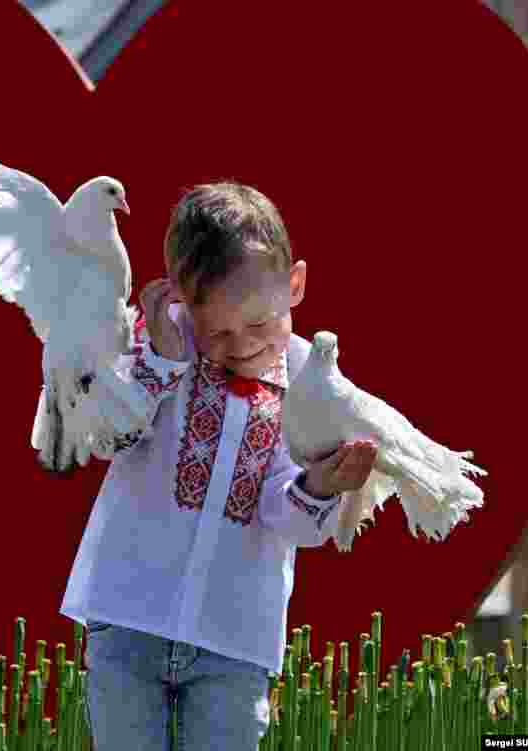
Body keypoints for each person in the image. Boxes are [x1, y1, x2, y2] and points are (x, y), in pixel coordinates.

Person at [59, 181, 378, 749]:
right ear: (181, 301)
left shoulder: (310, 383)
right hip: (128, 618)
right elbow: (107, 435)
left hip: (235, 639)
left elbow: (290, 519)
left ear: (295, 285)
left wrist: (321, 486)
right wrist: (159, 360)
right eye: (218, 333)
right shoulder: (152, 342)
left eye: (258, 325)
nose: (241, 346)